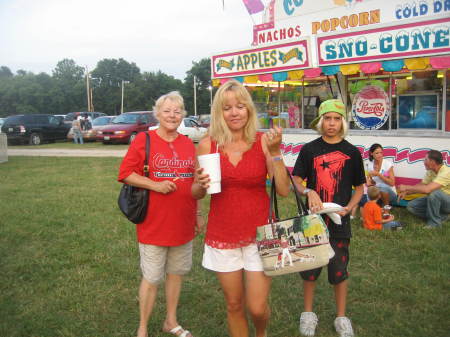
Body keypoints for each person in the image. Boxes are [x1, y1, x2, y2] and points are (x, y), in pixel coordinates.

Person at [191, 79, 290, 337]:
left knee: (256, 308)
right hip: (223, 233)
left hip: (261, 234)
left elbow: (283, 189)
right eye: (227, 108)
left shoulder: (262, 142)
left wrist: (276, 151)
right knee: (234, 304)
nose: (234, 112)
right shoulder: (207, 144)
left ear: (249, 110)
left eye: (240, 106)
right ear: (219, 113)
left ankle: (261, 332)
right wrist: (200, 185)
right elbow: (195, 191)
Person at [118, 91, 201, 337]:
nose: (172, 115)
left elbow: (194, 182)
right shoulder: (144, 139)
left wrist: (197, 214)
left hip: (183, 221)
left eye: (177, 111)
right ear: (158, 114)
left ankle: (171, 321)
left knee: (176, 273)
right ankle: (142, 328)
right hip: (154, 222)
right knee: (152, 277)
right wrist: (156, 185)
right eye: (167, 111)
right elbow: (125, 173)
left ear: (183, 115)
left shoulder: (187, 143)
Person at [292, 99, 365, 337]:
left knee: (339, 269)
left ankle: (341, 317)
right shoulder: (309, 150)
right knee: (310, 268)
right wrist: (307, 190)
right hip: (312, 222)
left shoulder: (352, 152)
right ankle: (307, 314)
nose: (331, 124)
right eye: (327, 119)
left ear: (342, 122)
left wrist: (350, 207)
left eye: (336, 119)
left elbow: (360, 187)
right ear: (320, 122)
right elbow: (296, 179)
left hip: (339, 223)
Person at [398, 150, 450, 228]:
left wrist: (406, 187)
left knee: (434, 193)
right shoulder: (431, 170)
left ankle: (434, 224)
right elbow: (422, 184)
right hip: (436, 199)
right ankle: (442, 217)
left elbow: (427, 189)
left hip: (447, 202)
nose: (423, 162)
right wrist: (407, 192)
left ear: (432, 161)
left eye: (425, 159)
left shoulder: (446, 172)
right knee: (411, 206)